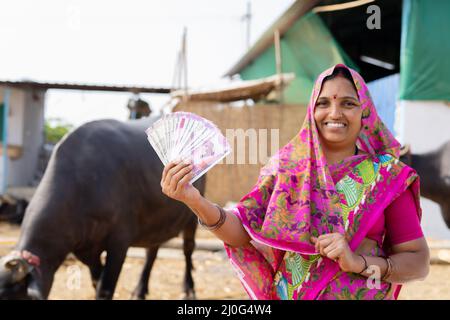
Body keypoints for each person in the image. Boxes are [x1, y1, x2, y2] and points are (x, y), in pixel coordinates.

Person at [160, 64, 430, 300]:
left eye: (348, 103)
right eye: (323, 103)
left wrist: (358, 262)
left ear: (366, 113)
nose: (334, 112)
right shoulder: (286, 170)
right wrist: (194, 200)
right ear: (311, 111)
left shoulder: (387, 177)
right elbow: (243, 232)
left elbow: (417, 262)